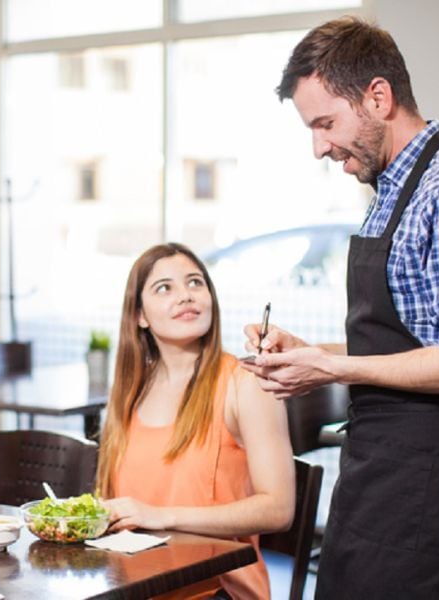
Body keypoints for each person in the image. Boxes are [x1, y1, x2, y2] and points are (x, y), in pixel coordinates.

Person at [242, 17, 439, 600]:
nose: (319, 146)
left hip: (429, 469)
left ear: (379, 97)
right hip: (377, 461)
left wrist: (331, 370)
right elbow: (407, 341)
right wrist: (311, 352)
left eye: (325, 123)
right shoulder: (390, 190)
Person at [97, 243, 296, 600]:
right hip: (139, 587)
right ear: (139, 316)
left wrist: (159, 515)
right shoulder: (130, 392)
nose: (186, 296)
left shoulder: (246, 383)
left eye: (195, 283)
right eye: (164, 288)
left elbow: (278, 509)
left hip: (218, 590)